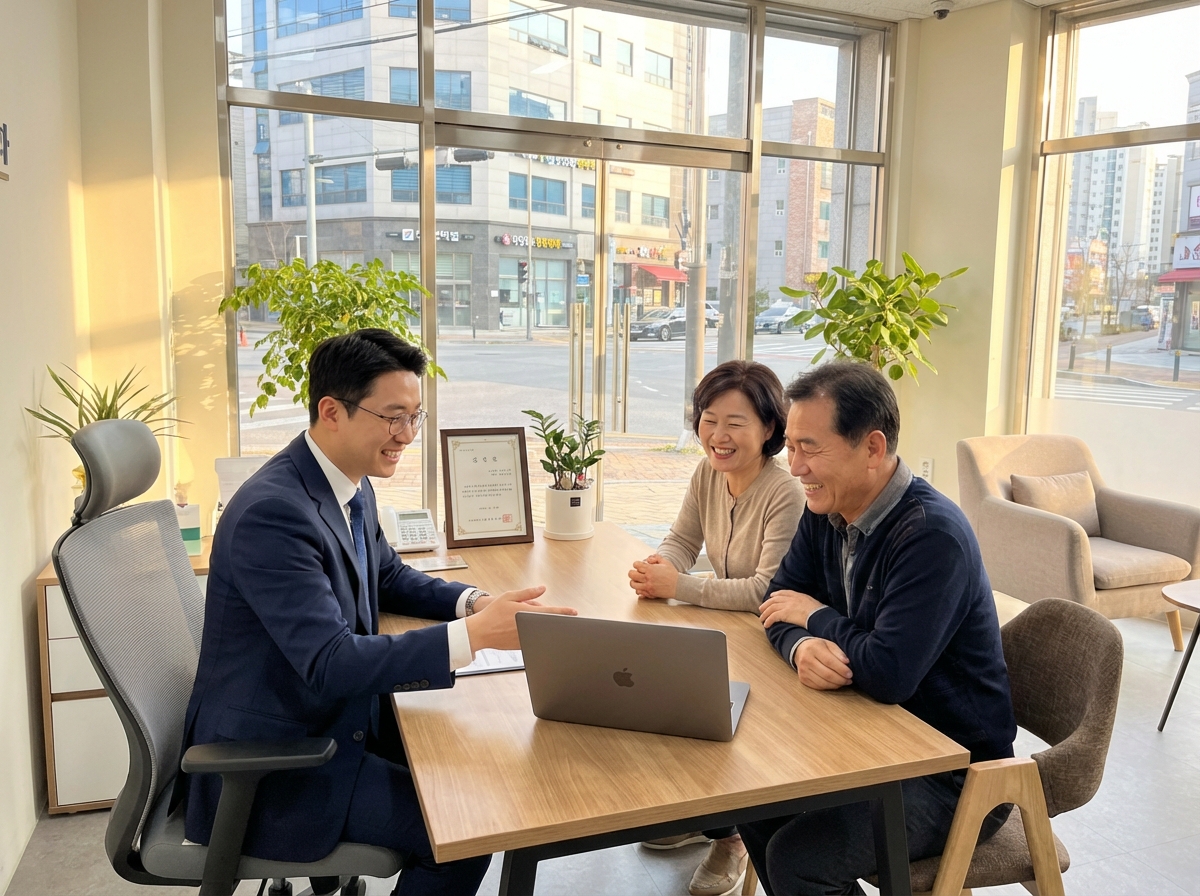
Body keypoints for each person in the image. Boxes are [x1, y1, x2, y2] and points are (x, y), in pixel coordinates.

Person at [181, 329, 576, 896]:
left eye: (415, 417)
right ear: (331, 411)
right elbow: (331, 662)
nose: (407, 436)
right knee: (466, 828)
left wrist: (474, 603)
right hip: (276, 768)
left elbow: (386, 575)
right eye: (394, 418)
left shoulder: (345, 481)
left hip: (327, 721)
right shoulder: (274, 514)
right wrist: (473, 636)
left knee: (477, 761)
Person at [742, 361, 1016, 896]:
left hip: (953, 775)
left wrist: (816, 618)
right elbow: (777, 603)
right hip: (865, 741)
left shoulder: (932, 536)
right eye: (791, 446)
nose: (795, 466)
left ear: (871, 447)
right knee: (753, 804)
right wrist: (801, 647)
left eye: (809, 447)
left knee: (799, 858)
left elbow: (888, 673)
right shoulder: (826, 506)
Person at [629, 360, 804, 896]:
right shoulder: (708, 473)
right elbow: (683, 541)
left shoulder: (786, 492)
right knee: (671, 693)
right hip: (726, 631)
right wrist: (658, 566)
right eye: (708, 419)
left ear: (769, 429)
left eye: (735, 422)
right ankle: (708, 817)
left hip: (767, 641)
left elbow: (762, 591)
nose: (718, 436)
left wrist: (678, 588)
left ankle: (732, 837)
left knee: (717, 719)